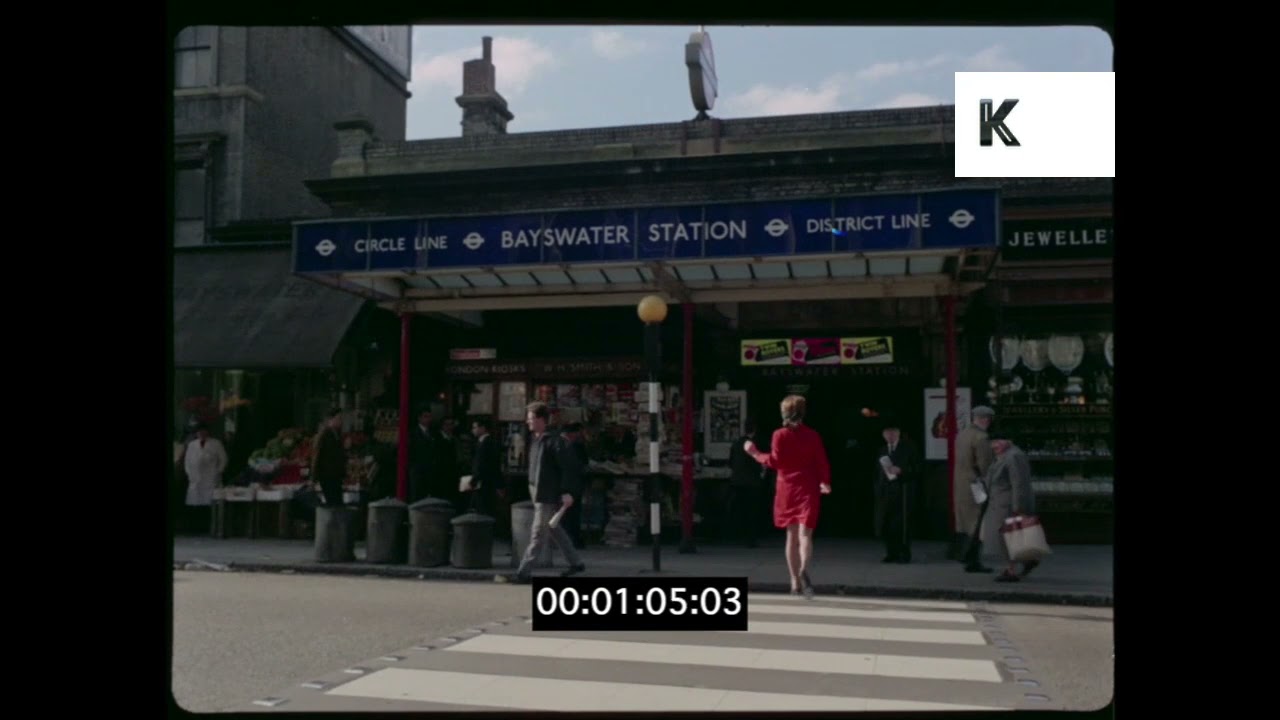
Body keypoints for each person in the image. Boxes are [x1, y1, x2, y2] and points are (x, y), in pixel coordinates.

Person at [744, 395, 831, 597]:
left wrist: (755, 453)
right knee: (806, 534)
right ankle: (804, 568)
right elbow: (821, 461)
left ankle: (794, 581)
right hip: (808, 486)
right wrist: (825, 481)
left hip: (787, 488)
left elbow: (775, 462)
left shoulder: (779, 435)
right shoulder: (813, 435)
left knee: (791, 536)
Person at [506, 402, 587, 583]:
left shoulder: (554, 441)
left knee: (538, 533)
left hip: (547, 493)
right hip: (538, 491)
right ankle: (576, 562)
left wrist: (566, 491)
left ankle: (523, 571)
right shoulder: (536, 440)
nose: (528, 422)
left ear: (542, 420)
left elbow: (569, 468)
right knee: (553, 527)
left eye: (531, 418)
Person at [981, 432, 1039, 582]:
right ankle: (1027, 560)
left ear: (1008, 441)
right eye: (992, 442)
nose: (994, 445)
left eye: (998, 441)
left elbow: (1018, 483)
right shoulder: (1002, 455)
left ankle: (1011, 570)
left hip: (1007, 505)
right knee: (1007, 537)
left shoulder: (1013, 456)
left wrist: (1018, 507)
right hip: (999, 503)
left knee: (1006, 538)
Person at [955, 406, 997, 573]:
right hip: (976, 485)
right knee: (977, 522)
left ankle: (965, 555)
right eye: (988, 419)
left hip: (961, 484)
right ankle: (972, 560)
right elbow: (985, 465)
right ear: (985, 419)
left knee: (965, 522)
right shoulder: (981, 438)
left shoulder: (963, 434)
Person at [874, 417, 920, 564]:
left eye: (893, 432)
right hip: (886, 492)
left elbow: (918, 469)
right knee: (887, 522)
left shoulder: (909, 448)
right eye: (887, 432)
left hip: (903, 491)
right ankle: (891, 552)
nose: (890, 435)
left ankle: (904, 553)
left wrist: (902, 471)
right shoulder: (882, 450)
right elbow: (877, 472)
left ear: (898, 433)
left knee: (902, 524)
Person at [183, 423, 227, 533]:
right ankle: (194, 528)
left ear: (207, 432)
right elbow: (187, 461)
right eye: (199, 432)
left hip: (211, 477)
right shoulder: (192, 444)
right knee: (195, 502)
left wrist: (218, 471)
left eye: (203, 431)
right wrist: (189, 474)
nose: (201, 434)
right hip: (195, 478)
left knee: (209, 502)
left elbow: (223, 459)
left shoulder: (216, 443)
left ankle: (208, 527)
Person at [728, 420, 765, 547]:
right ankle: (751, 538)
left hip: (737, 481)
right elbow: (757, 462)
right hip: (751, 482)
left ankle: (740, 535)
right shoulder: (752, 445)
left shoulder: (736, 444)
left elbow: (731, 462)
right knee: (752, 511)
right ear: (754, 430)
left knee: (741, 509)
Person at [467, 419, 504, 516]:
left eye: (475, 427)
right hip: (482, 482)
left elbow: (483, 465)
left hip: (484, 482)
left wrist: (474, 480)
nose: (473, 430)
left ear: (482, 428)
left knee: (484, 509)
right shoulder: (480, 442)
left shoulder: (488, 443)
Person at [311, 409, 347, 507]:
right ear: (331, 419)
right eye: (339, 418)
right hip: (327, 475)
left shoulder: (338, 435)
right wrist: (313, 477)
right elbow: (316, 456)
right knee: (332, 502)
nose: (341, 421)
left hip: (336, 475)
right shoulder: (324, 435)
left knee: (338, 502)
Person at [408, 406, 437, 503]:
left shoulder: (433, 432)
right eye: (425, 416)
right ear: (419, 418)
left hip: (429, 468)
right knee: (416, 493)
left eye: (429, 417)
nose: (428, 419)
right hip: (417, 468)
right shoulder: (413, 433)